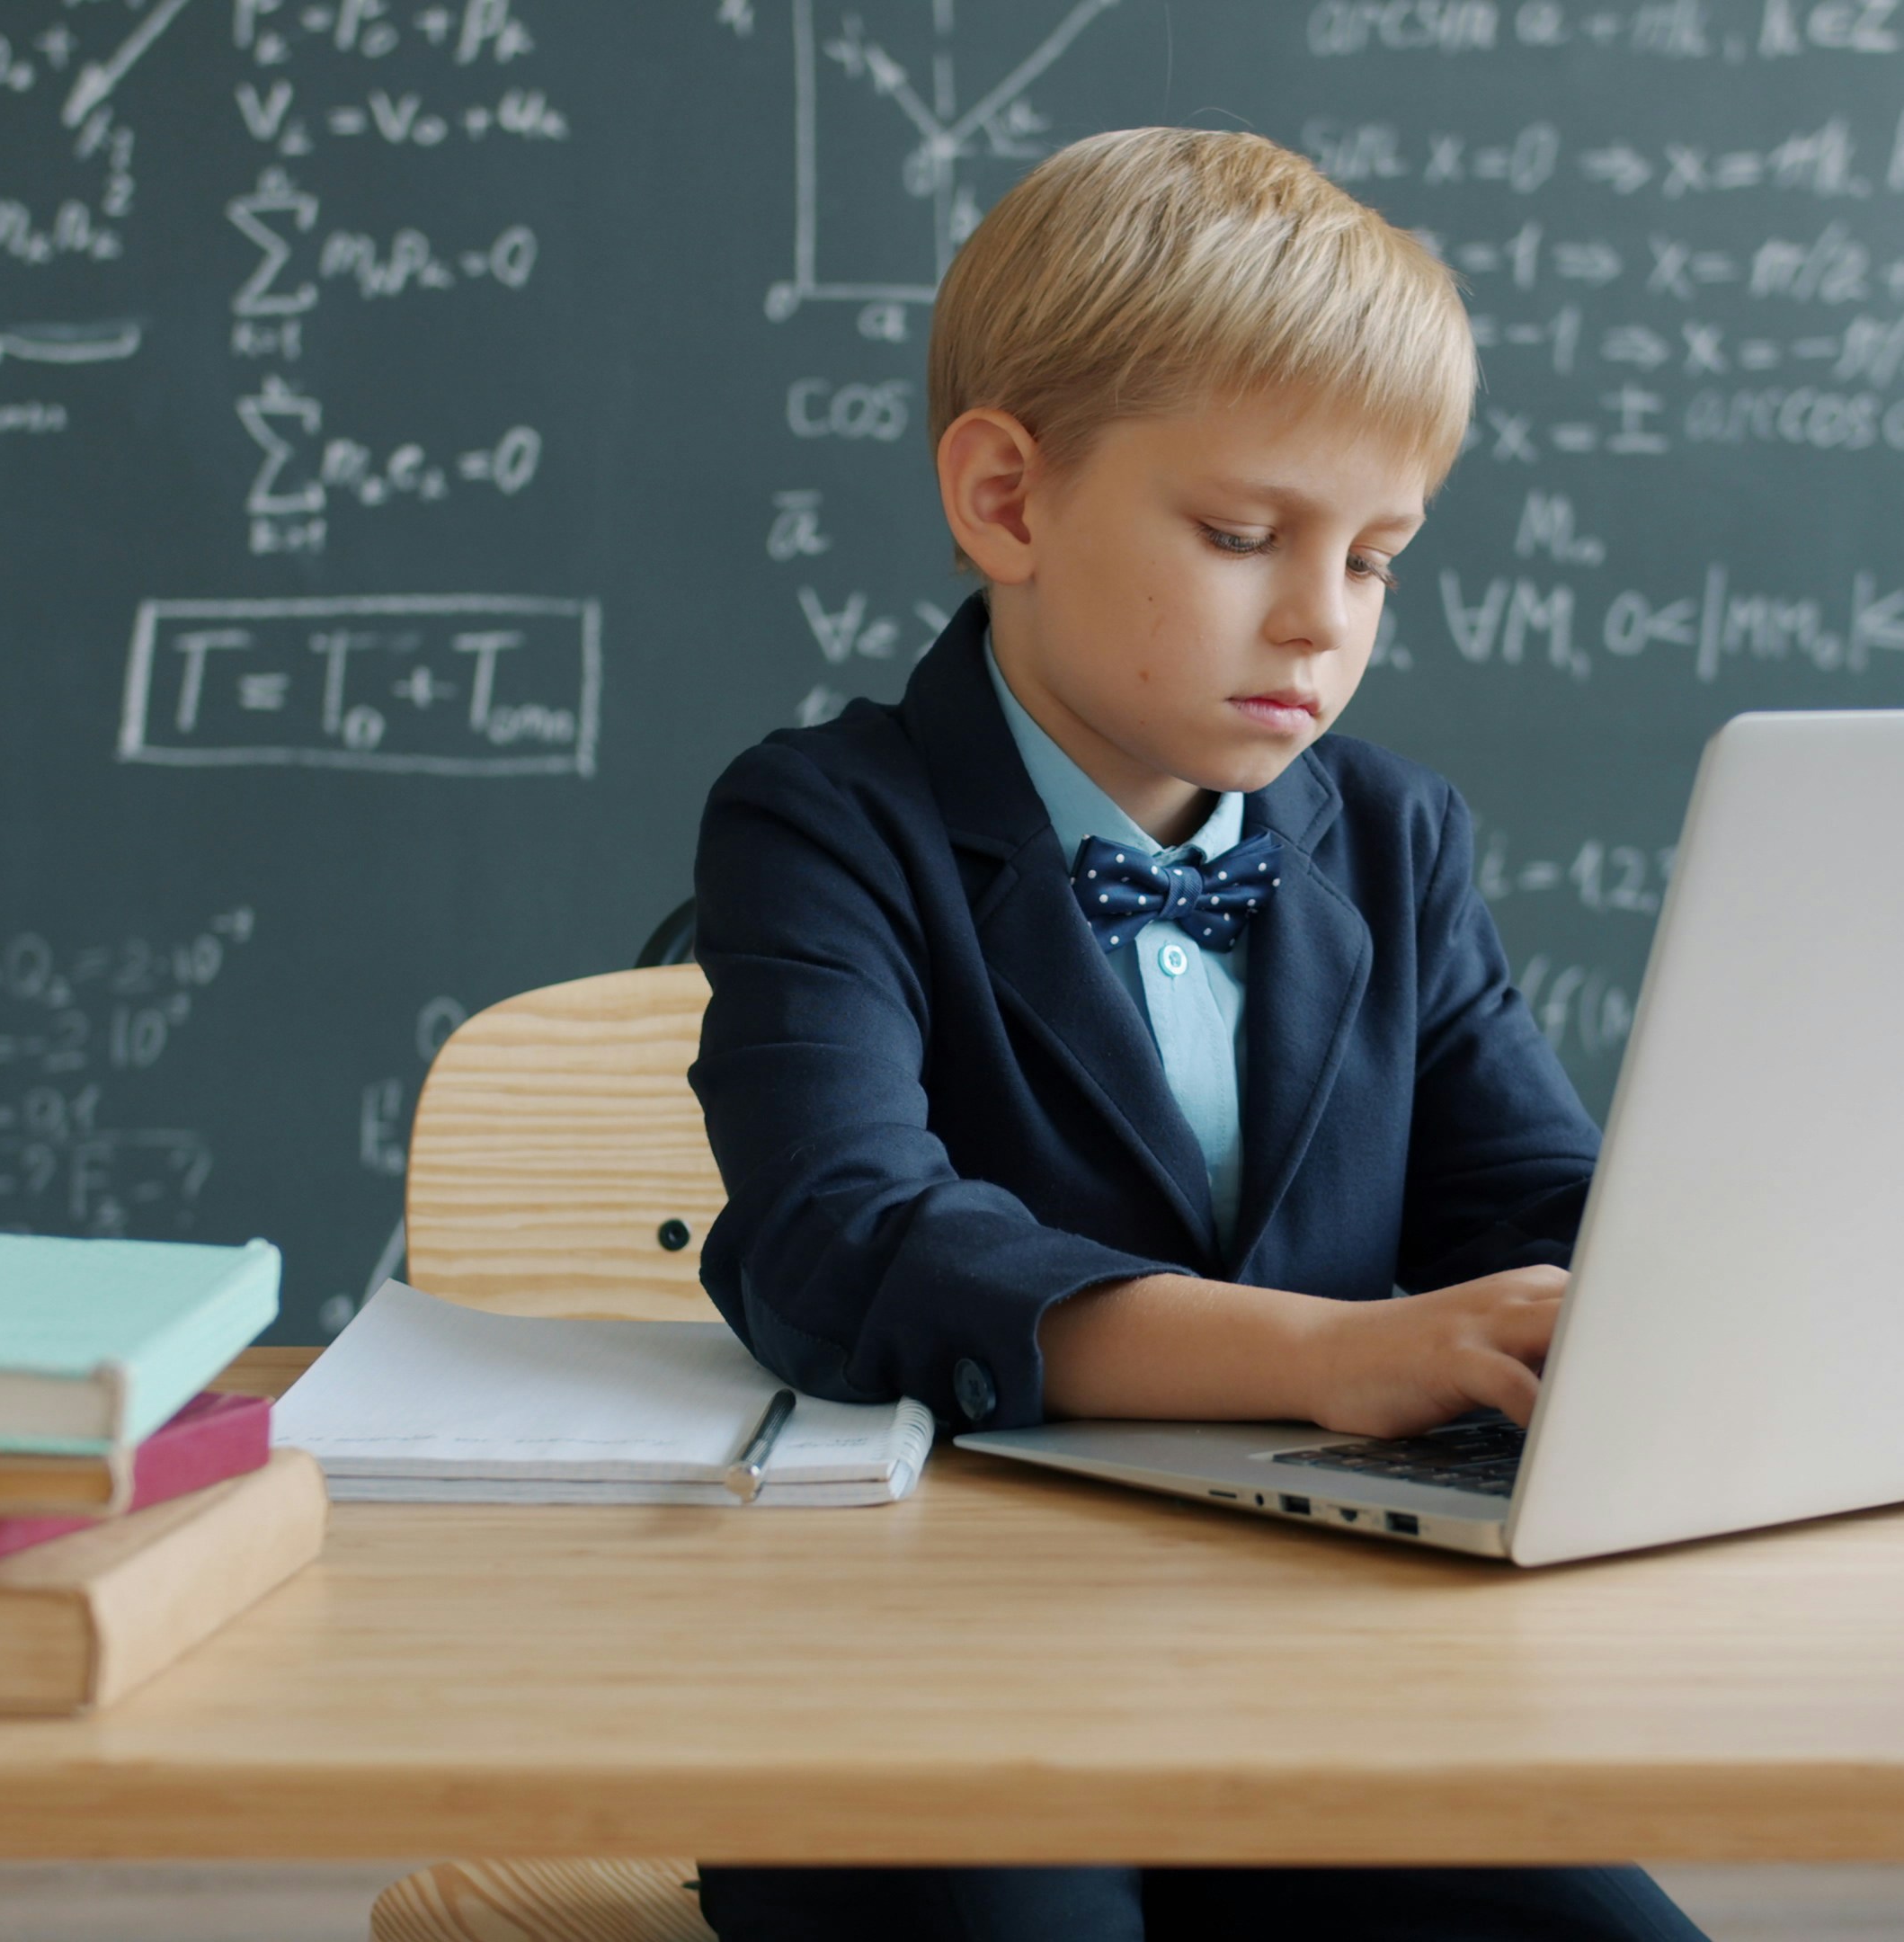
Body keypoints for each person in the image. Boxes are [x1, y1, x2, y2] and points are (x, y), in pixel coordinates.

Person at [684, 126, 1710, 1942]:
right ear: (1007, 500)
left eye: (1378, 559)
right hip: (923, 1693)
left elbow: (1527, 1191)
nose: (1322, 619)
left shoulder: (1395, 837)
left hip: (1321, 1679)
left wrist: (1652, 1293)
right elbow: (845, 1243)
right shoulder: (825, 822)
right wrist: (1327, 1353)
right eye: (1244, 535)